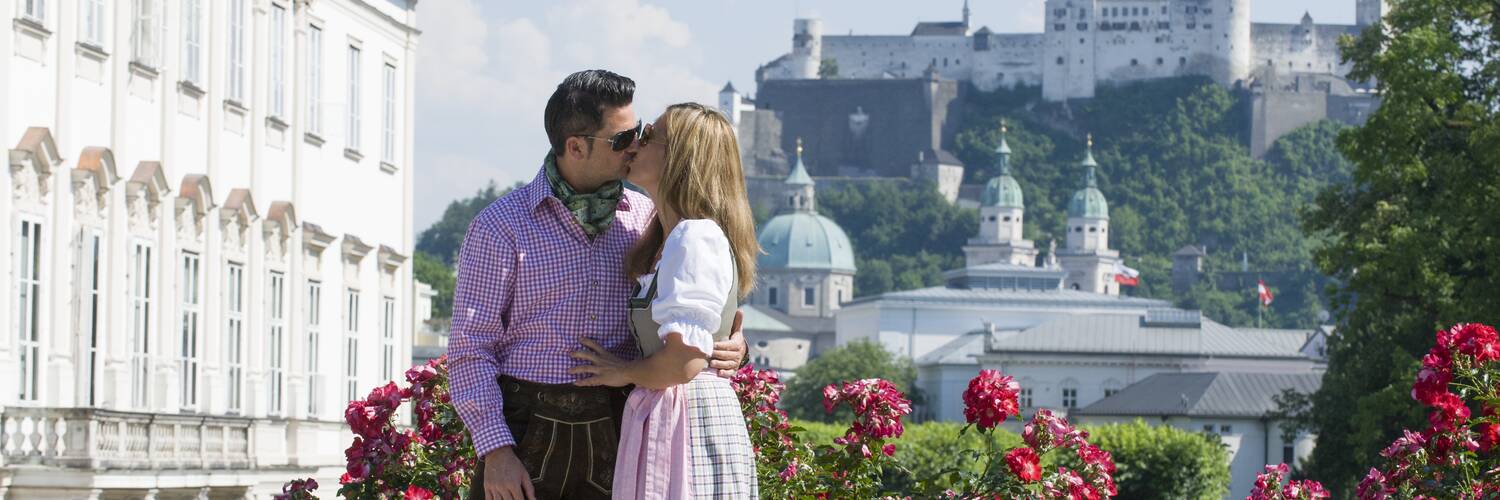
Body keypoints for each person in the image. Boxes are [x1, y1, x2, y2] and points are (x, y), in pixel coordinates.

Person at [447, 70, 748, 500]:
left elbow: (701, 299)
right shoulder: (500, 227)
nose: (637, 145)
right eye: (622, 139)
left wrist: (734, 340)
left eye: (641, 133)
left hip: (621, 423)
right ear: (576, 146)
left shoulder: (651, 217)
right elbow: (470, 347)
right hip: (525, 425)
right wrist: (495, 449)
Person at [570, 102, 759, 498]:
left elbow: (683, 361)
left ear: (681, 158)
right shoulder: (664, 235)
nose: (636, 143)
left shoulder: (695, 237)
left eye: (651, 135)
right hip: (675, 413)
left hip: (689, 417)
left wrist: (621, 371)